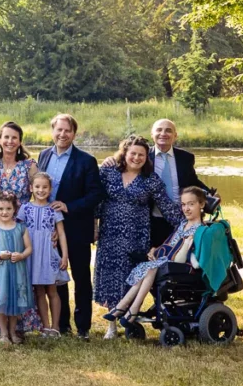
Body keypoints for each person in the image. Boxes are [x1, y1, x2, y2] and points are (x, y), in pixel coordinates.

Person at [95, 134, 179, 339]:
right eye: (133, 153)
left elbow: (167, 207)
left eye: (141, 155)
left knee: (130, 277)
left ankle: (129, 320)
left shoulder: (150, 179)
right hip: (110, 235)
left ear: (146, 157)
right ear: (124, 153)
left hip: (136, 236)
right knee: (111, 278)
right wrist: (94, 225)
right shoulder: (108, 171)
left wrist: (191, 220)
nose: (137, 158)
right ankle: (112, 326)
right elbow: (96, 201)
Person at [37, 113, 103, 340]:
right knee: (58, 278)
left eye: (67, 130)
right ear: (52, 131)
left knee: (82, 278)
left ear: (74, 133)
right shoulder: (43, 156)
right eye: (59, 130)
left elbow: (96, 195)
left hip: (77, 227)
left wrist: (68, 206)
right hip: (49, 230)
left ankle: (83, 326)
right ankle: (62, 324)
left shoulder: (86, 161)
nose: (63, 134)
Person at [105, 186, 206, 329]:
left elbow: (182, 257)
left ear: (201, 204)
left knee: (151, 269)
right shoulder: (183, 224)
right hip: (167, 260)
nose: (186, 208)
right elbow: (170, 244)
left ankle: (125, 308)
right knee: (149, 268)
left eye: (191, 204)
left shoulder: (200, 229)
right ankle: (127, 309)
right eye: (183, 204)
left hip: (182, 266)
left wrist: (185, 243)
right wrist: (156, 250)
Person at [103, 119, 209, 247]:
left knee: (181, 257)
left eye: (168, 130)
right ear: (152, 134)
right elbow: (125, 162)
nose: (163, 133)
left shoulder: (186, 158)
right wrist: (111, 159)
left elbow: (192, 181)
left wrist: (209, 193)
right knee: (154, 258)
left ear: (175, 136)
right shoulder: (144, 156)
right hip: (150, 220)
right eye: (159, 130)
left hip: (179, 214)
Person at [17, 172, 69, 337]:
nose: (41, 190)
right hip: (32, 254)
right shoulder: (25, 208)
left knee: (52, 290)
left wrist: (65, 256)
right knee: (39, 290)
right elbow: (18, 231)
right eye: (37, 187)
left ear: (50, 189)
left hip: (48, 254)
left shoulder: (54, 209)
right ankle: (45, 326)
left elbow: (61, 234)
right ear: (31, 188)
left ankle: (55, 327)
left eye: (45, 187)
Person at [0, 192, 34, 345]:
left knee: (16, 299)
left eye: (8, 209)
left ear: (14, 210)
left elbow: (29, 248)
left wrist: (21, 255)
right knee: (1, 299)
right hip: (1, 272)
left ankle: (13, 331)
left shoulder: (21, 228)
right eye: (1, 209)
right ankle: (3, 333)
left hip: (18, 270)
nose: (4, 212)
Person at [0, 121, 38, 202]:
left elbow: (38, 198)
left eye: (14, 138)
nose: (10, 141)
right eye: (6, 137)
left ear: (20, 142)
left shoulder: (29, 166)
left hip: (23, 214)